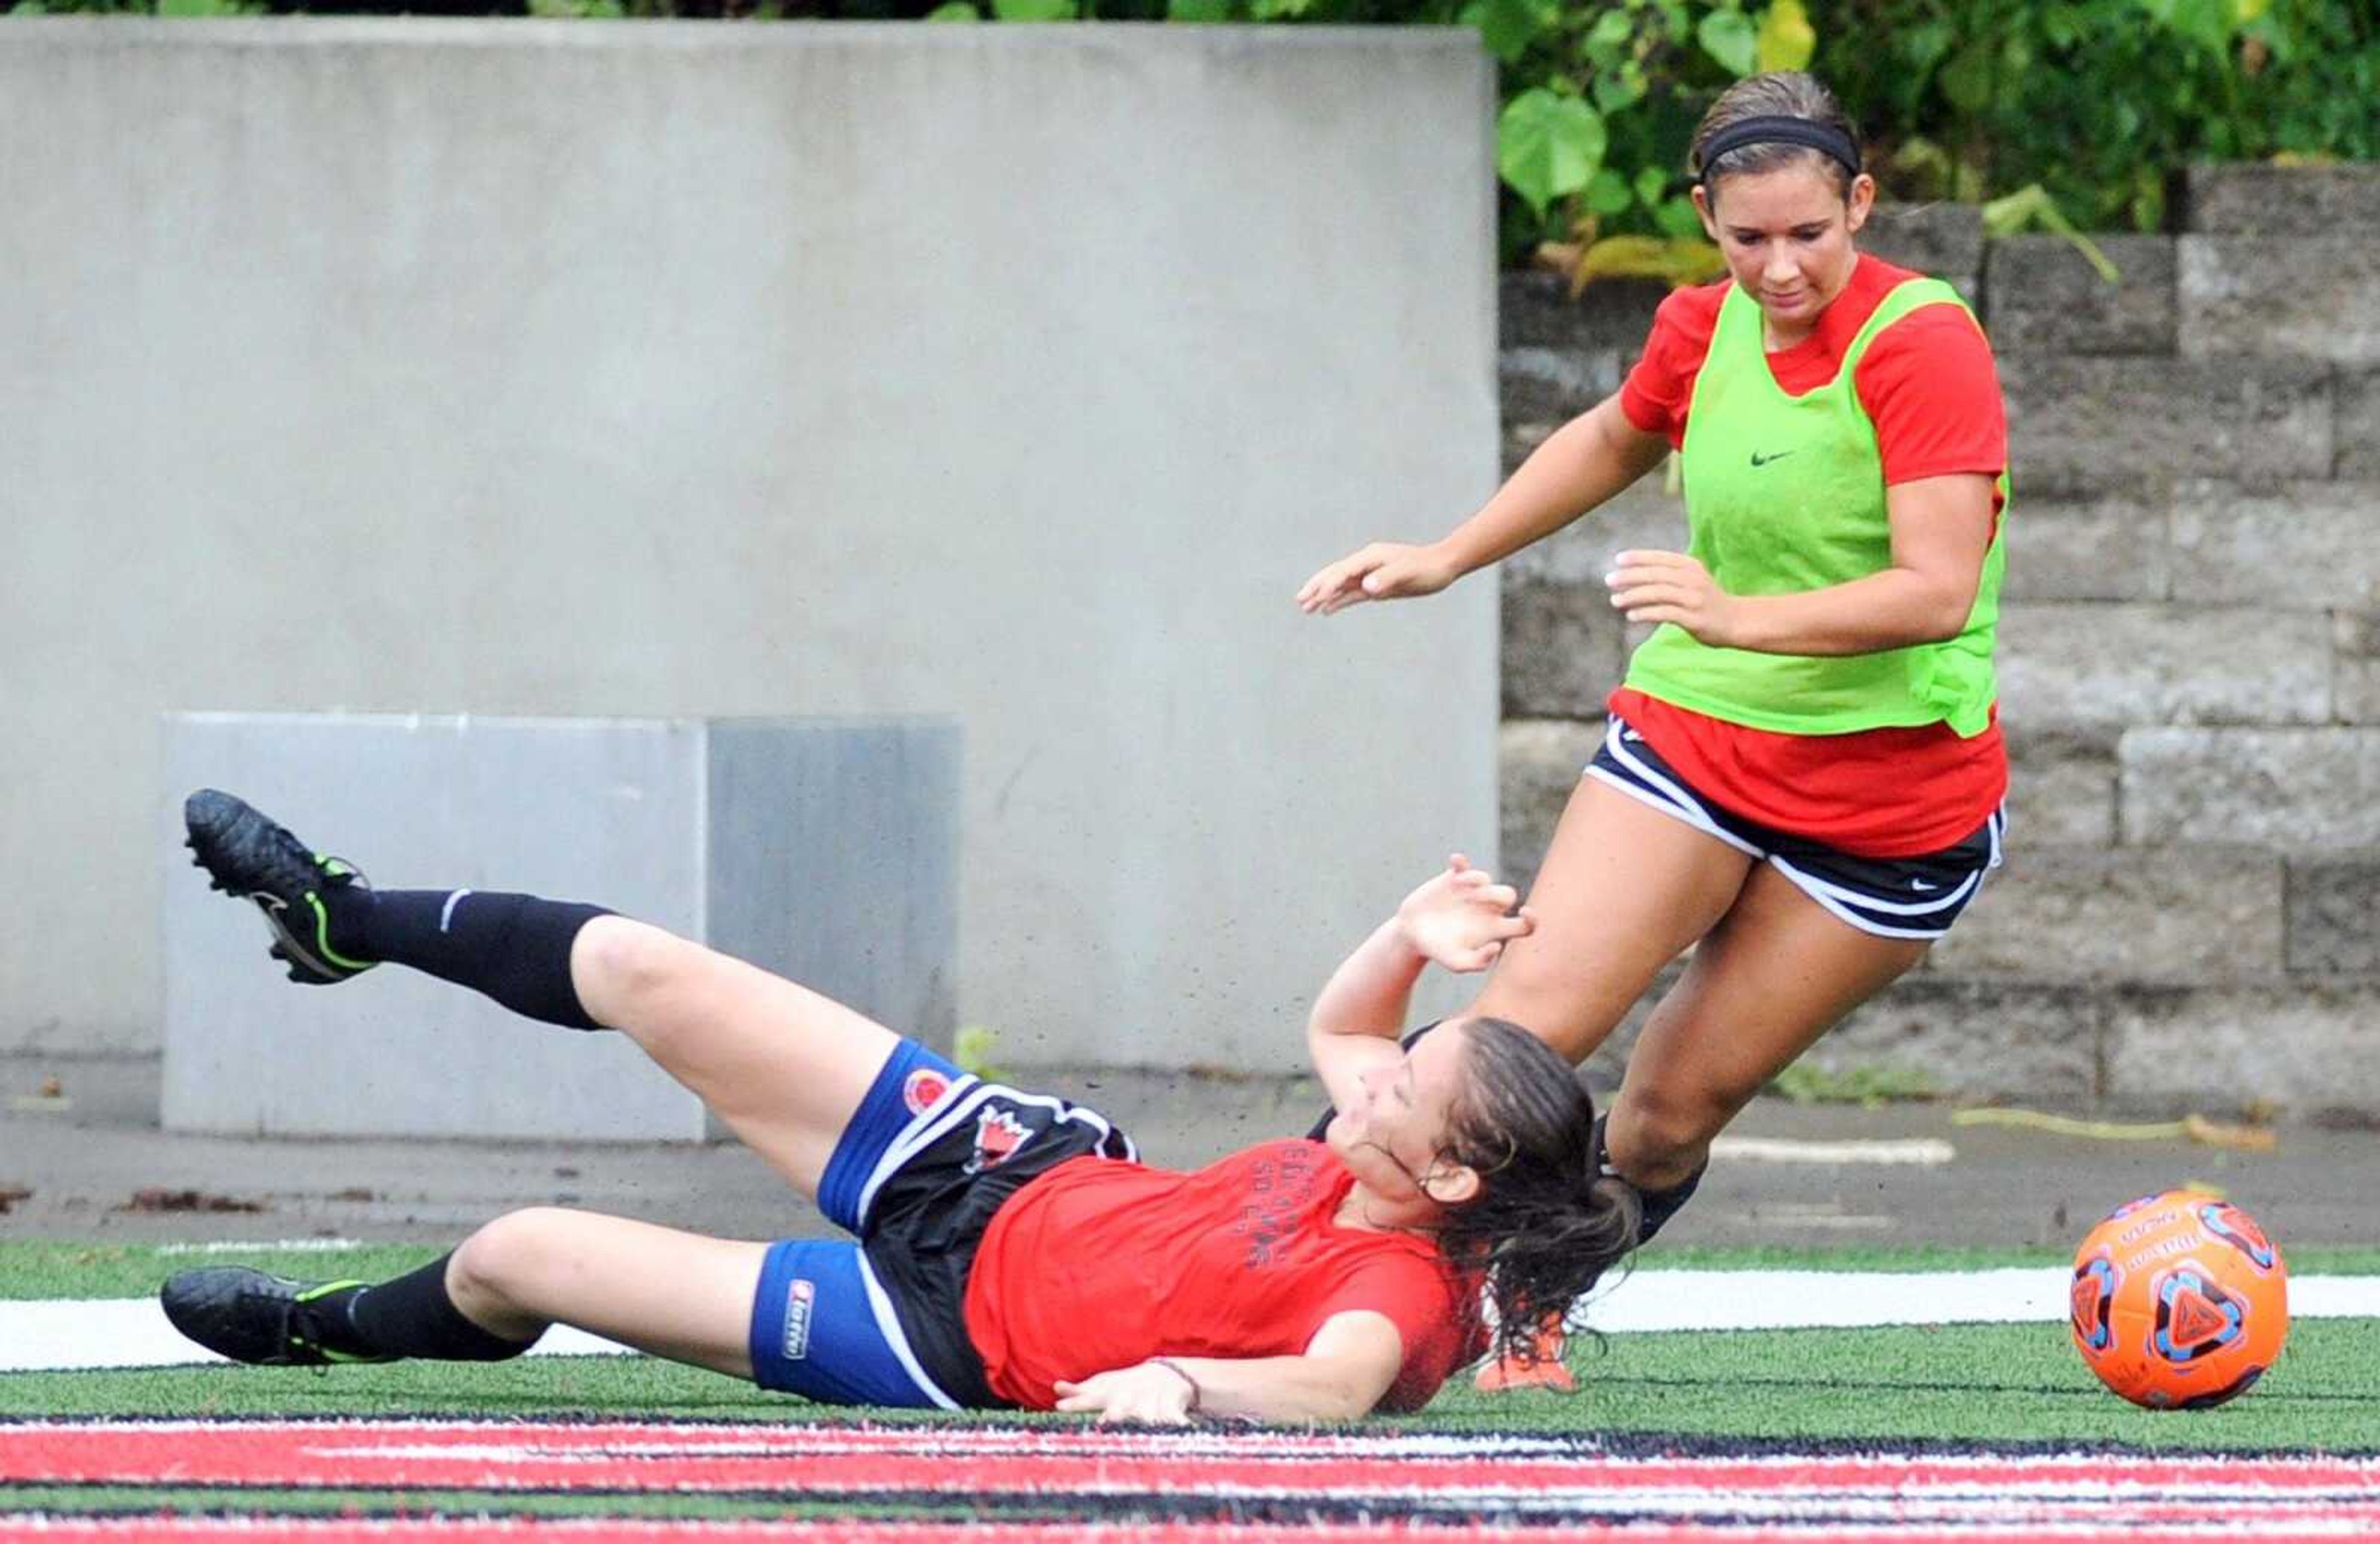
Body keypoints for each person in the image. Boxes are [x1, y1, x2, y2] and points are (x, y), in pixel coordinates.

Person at [160, 790, 1638, 1423]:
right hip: (1010, 1171)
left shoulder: (1395, 1285)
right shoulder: (1384, 1153)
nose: (1379, 1079)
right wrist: (1405, 930)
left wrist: (1189, 1390)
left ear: (1447, 1181)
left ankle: (311, 1328)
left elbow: (1334, 1385)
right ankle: (347, 918)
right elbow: (1344, 1024)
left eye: (1409, 1090)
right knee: (635, 964)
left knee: (516, 1253)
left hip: (938, 1336)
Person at [1296, 71, 2009, 1321]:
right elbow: (1618, 435)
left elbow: (1937, 586)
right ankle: (1270, 1256)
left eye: (1809, 233)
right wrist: (1447, 553)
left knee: (1668, 1116)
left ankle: (1528, 1312)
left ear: (1861, 202)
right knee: (1500, 1050)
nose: (1780, 268)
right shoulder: (1703, 323)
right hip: (1700, 737)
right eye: (1748, 240)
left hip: (1888, 803)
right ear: (1706, 217)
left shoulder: (1925, 343)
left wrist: (1738, 614)